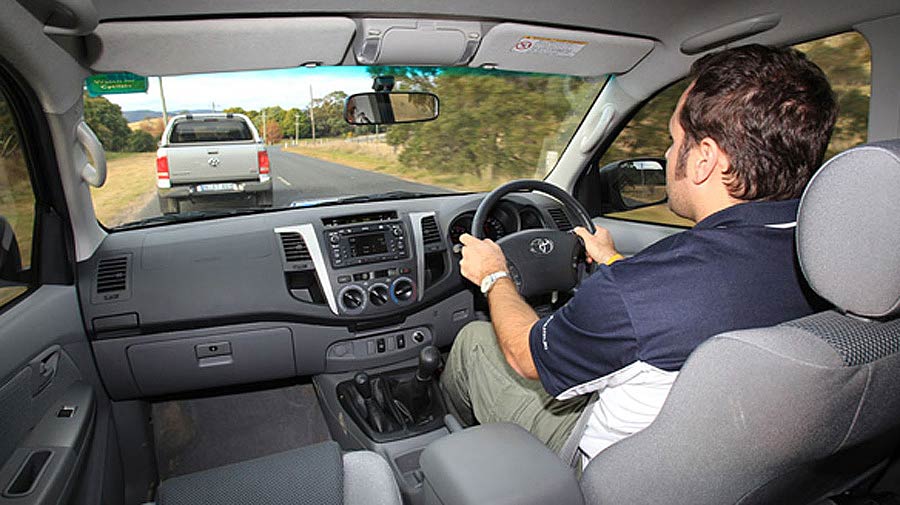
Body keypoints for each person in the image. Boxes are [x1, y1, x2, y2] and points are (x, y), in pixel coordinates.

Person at [441, 44, 838, 467]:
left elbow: (526, 356)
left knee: (472, 342)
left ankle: (465, 457)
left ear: (704, 160)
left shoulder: (636, 292)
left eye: (674, 140)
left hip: (608, 470)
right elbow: (685, 300)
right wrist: (615, 263)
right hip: (734, 462)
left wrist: (494, 275)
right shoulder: (830, 261)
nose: (667, 154)